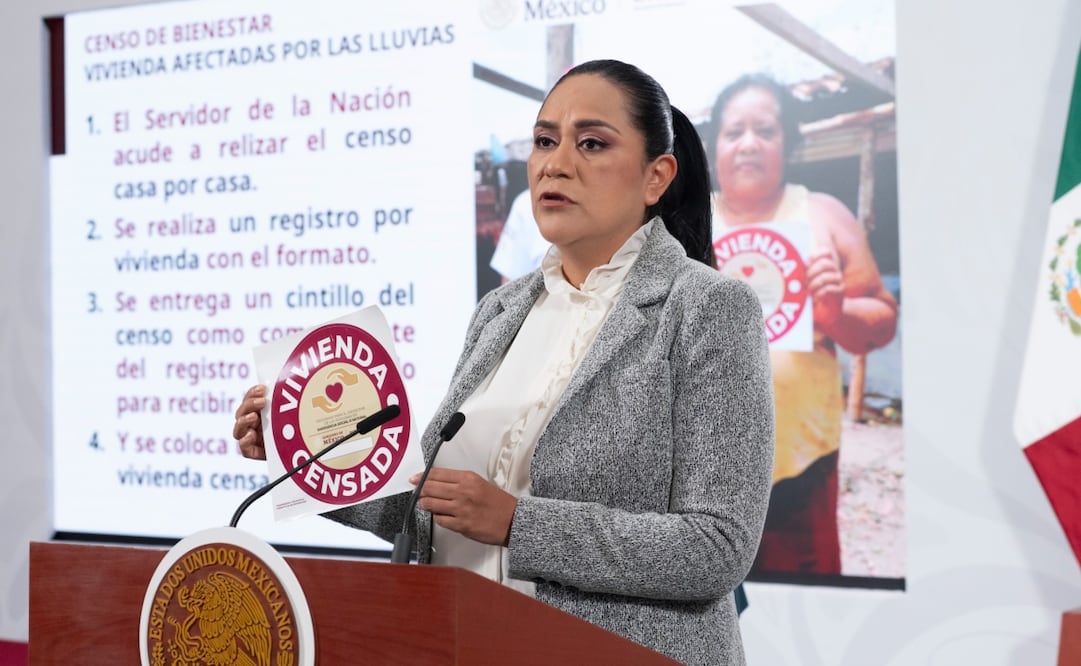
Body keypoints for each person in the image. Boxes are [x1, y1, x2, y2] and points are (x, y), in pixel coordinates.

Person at [234, 59, 774, 665]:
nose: (555, 163)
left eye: (591, 143)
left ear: (657, 177)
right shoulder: (499, 311)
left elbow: (717, 546)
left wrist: (518, 522)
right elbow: (426, 512)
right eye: (545, 140)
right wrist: (306, 454)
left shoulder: (707, 307)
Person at [707, 73, 898, 576]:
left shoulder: (822, 215)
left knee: (804, 606)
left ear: (788, 144)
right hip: (698, 472)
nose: (749, 144)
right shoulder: (680, 225)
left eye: (765, 131)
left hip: (801, 465)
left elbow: (881, 321)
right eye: (734, 132)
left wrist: (836, 314)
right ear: (714, 147)